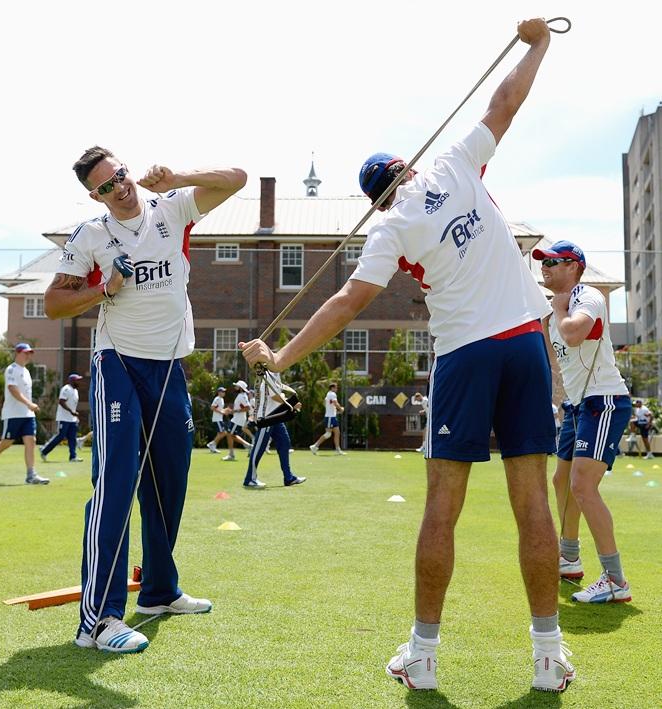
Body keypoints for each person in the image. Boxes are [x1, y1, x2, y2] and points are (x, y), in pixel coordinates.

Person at [241, 18, 574, 693]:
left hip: (465, 357)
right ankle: (548, 656)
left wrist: (279, 358)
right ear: (409, 168)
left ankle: (422, 656)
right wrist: (539, 44)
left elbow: (346, 306)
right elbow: (505, 103)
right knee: (532, 502)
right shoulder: (455, 162)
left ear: (371, 196)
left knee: (442, 508)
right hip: (525, 345)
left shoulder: (390, 226)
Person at [44, 146, 247, 653]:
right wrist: (104, 290)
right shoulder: (90, 235)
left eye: (122, 175)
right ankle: (98, 621)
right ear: (96, 195)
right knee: (116, 483)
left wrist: (177, 175)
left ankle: (159, 591)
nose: (121, 187)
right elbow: (53, 303)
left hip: (170, 365)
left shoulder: (171, 205)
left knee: (169, 482)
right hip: (118, 363)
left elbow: (237, 177)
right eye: (108, 185)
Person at [534, 240, 632, 604]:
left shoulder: (586, 297)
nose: (545, 267)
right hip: (577, 406)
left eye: (553, 262)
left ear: (574, 266)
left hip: (603, 401)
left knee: (582, 486)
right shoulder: (552, 305)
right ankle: (570, 558)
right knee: (561, 479)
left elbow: (574, 334)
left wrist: (559, 310)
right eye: (543, 262)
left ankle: (615, 579)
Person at [0, 343, 49, 485]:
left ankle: (31, 475)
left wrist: (29, 407)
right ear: (17, 353)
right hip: (13, 415)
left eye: (30, 353)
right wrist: (29, 404)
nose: (28, 355)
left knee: (31, 441)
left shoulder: (27, 372)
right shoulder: (11, 369)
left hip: (28, 415)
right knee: (6, 443)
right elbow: (12, 389)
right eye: (26, 353)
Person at [242, 371, 306, 489]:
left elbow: (277, 395)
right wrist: (292, 404)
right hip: (266, 417)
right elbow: (274, 396)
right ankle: (250, 479)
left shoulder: (276, 374)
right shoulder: (270, 374)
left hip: (274, 416)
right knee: (259, 448)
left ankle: (289, 478)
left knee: (284, 443)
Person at [40, 373, 84, 463]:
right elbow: (61, 401)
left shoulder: (75, 391)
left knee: (72, 438)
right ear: (72, 381)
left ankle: (73, 457)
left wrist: (75, 416)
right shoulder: (66, 389)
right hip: (63, 418)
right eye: (77, 380)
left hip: (72, 419)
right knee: (60, 436)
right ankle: (44, 451)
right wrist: (71, 411)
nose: (79, 382)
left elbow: (73, 405)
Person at [309, 383, 346, 456]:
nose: (337, 389)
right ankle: (314, 446)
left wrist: (335, 411)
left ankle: (338, 450)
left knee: (337, 433)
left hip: (332, 416)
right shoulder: (332, 394)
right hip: (330, 417)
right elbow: (335, 403)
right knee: (328, 434)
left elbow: (326, 404)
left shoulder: (328, 395)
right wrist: (340, 408)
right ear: (332, 388)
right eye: (336, 388)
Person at [223, 381, 254, 461]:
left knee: (229, 434)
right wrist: (231, 410)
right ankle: (248, 446)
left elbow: (247, 408)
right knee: (231, 435)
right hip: (237, 418)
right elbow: (240, 407)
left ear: (240, 388)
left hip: (238, 419)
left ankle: (231, 454)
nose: (235, 387)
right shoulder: (241, 395)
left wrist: (234, 411)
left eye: (237, 386)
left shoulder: (242, 396)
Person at [206, 386, 234, 456]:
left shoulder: (221, 399)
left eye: (224, 391)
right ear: (219, 392)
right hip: (217, 419)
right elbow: (212, 407)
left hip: (219, 419)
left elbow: (220, 409)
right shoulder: (217, 398)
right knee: (223, 433)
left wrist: (226, 410)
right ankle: (212, 444)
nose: (224, 393)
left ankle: (213, 447)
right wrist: (222, 412)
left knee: (219, 434)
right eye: (222, 391)